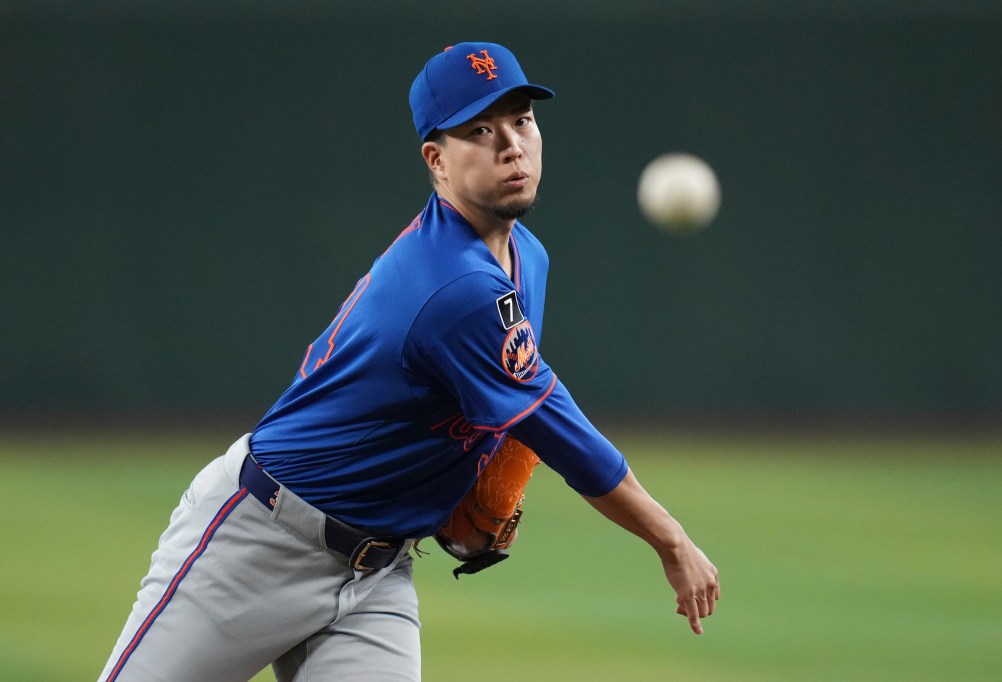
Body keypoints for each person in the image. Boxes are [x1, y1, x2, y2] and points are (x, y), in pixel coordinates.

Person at [98, 41, 720, 682]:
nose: (511, 144)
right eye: (480, 130)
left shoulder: (525, 256)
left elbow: (498, 397)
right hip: (257, 546)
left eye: (522, 121)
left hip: (377, 573)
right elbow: (561, 432)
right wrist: (670, 539)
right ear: (437, 160)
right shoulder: (453, 285)